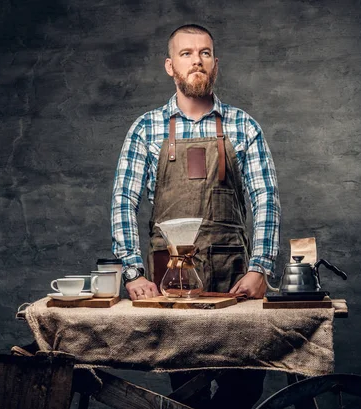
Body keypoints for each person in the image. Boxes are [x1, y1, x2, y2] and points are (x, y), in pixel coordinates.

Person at [110, 24, 281, 409]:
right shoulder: (146, 129)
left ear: (215, 64)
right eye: (186, 54)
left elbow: (266, 199)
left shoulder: (243, 126)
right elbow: (124, 200)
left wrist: (261, 268)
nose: (196, 61)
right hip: (171, 281)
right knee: (187, 389)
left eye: (204, 53)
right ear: (170, 66)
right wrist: (134, 273)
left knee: (245, 384)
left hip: (234, 278)